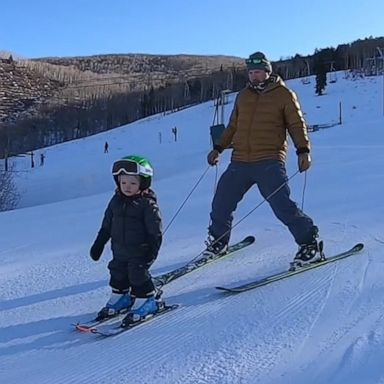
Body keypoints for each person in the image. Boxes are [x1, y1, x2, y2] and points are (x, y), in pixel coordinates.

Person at [205, 51, 320, 266]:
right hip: (240, 160)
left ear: (268, 72)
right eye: (251, 72)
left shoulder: (284, 94)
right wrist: (218, 148)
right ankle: (218, 242)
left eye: (258, 72)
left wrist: (303, 150)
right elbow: (232, 126)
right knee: (222, 201)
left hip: (269, 160)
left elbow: (296, 124)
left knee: (282, 205)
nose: (254, 76)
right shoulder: (243, 96)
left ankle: (309, 243)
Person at [90, 155, 163, 325]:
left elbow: (155, 231)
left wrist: (152, 251)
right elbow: (107, 225)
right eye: (123, 183)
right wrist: (99, 244)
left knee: (138, 275)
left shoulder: (147, 204)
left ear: (143, 183)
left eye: (132, 183)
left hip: (140, 251)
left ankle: (147, 300)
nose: (127, 187)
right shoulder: (115, 202)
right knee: (117, 272)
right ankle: (120, 296)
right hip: (119, 250)